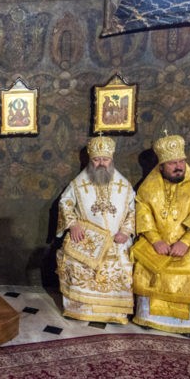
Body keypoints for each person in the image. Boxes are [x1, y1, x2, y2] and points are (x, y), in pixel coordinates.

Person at [131, 133, 190, 333]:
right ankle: (148, 318)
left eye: (181, 161)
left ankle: (181, 323)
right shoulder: (148, 187)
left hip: (187, 243)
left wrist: (186, 241)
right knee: (146, 263)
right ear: (161, 166)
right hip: (156, 241)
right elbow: (142, 211)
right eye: (172, 163)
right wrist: (155, 240)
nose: (179, 167)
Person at [55, 136, 136, 323]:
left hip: (116, 239)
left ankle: (114, 314)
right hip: (87, 238)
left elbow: (133, 211)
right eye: (96, 160)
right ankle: (81, 310)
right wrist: (73, 224)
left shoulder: (124, 185)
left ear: (111, 160)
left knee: (121, 261)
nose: (101, 164)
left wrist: (125, 231)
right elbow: (65, 203)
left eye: (105, 159)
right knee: (76, 261)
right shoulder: (78, 183)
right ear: (90, 160)